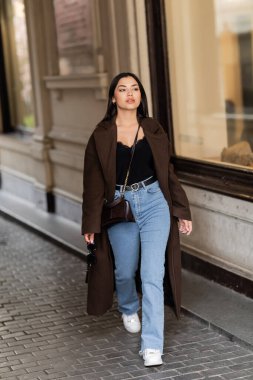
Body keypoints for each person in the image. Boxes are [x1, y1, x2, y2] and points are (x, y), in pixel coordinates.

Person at [82, 72, 192, 367]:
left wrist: (181, 210)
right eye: (122, 89)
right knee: (125, 270)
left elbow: (167, 172)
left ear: (140, 95)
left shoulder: (154, 128)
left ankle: (152, 345)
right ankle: (129, 306)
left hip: (155, 201)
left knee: (152, 274)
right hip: (121, 205)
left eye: (134, 88)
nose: (129, 93)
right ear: (113, 97)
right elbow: (93, 183)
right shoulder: (102, 134)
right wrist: (90, 225)